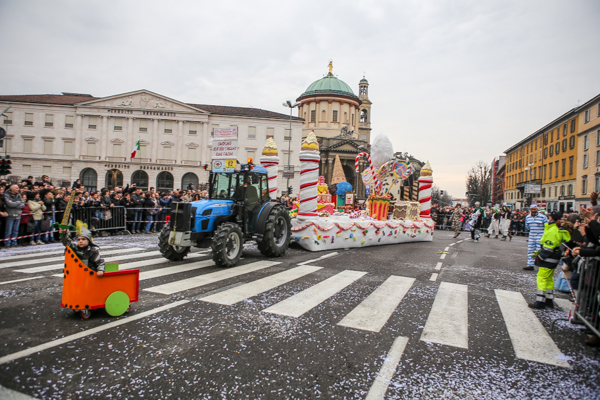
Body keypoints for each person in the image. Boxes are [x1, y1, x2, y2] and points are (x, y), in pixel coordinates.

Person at [529, 211, 570, 309]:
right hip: (554, 257)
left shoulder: (553, 230)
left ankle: (540, 301)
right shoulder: (558, 229)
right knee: (548, 279)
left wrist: (540, 257)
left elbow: (549, 246)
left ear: (551, 218)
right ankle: (548, 299)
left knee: (542, 278)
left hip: (548, 257)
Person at [523, 205, 548, 271]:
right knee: (530, 250)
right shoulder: (528, 217)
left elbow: (547, 226)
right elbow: (527, 226)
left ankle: (541, 265)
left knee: (540, 250)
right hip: (531, 235)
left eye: (535, 209)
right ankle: (530, 265)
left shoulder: (543, 217)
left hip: (540, 235)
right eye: (532, 209)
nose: (533, 211)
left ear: (537, 209)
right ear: (530, 210)